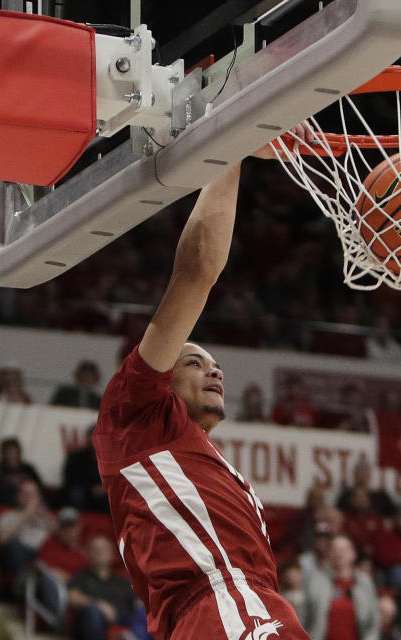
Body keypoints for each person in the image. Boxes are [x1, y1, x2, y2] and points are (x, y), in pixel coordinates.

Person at [92, 132, 313, 640]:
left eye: (215, 365)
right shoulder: (137, 413)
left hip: (241, 605)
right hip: (224, 602)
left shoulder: (209, 464)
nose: (215, 372)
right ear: (163, 378)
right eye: (194, 361)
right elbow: (197, 271)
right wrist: (232, 141)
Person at [300, 534, 380, 640]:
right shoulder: (315, 581)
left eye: (343, 549)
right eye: (334, 549)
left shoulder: (365, 582)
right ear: (329, 554)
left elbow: (374, 622)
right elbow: (303, 617)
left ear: (353, 554)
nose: (339, 553)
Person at [67, 535, 141, 640]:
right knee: (93, 612)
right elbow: (71, 597)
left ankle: (132, 636)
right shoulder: (81, 577)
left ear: (112, 554)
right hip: (93, 622)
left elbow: (137, 602)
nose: (100, 552)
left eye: (104, 549)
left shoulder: (122, 581)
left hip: (122, 619)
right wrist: (98, 605)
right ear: (88, 553)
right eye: (95, 549)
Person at [0, 480, 54, 578]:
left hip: (43, 555)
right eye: (26, 494)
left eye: (33, 495)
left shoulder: (45, 516)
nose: (29, 498)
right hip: (21, 554)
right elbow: (0, 539)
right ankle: (22, 581)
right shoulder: (8, 515)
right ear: (19, 497)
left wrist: (46, 517)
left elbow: (61, 537)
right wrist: (26, 513)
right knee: (14, 544)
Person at [63, 426, 108, 512]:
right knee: (76, 494)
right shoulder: (76, 457)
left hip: (104, 494)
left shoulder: (111, 458)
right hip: (83, 493)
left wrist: (105, 488)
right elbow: (71, 480)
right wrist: (91, 489)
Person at [0, 438, 43, 505]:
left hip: (32, 504)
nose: (12, 456)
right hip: (8, 505)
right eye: (9, 453)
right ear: (3, 454)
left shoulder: (28, 469)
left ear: (19, 453)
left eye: (15, 452)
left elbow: (40, 488)